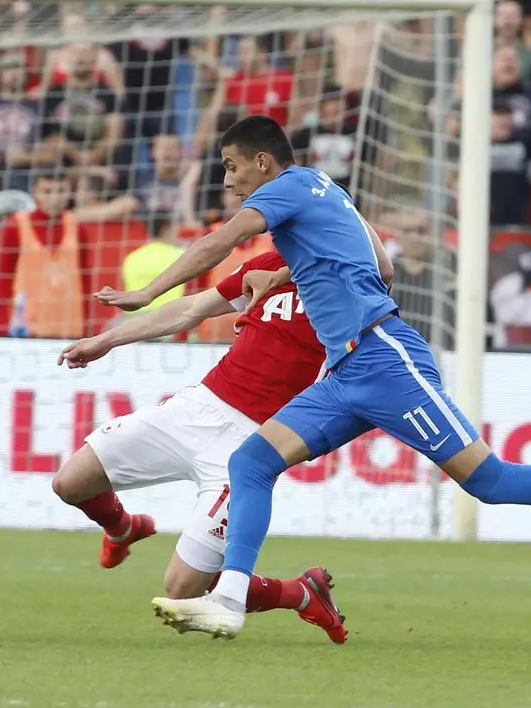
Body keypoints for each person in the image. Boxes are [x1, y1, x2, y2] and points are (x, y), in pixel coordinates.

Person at [95, 114, 531, 640]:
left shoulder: (287, 188)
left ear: (262, 162)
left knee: (488, 481)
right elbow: (381, 263)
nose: (227, 182)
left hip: (385, 358)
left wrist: (148, 292)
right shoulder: (323, 192)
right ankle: (228, 602)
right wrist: (286, 274)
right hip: (345, 371)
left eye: (231, 167)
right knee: (251, 462)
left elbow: (220, 240)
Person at [55, 250, 353, 644]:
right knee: (70, 482)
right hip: (197, 408)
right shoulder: (268, 265)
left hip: (251, 443)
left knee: (182, 589)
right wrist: (107, 340)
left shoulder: (351, 277)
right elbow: (191, 309)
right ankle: (122, 528)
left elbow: (382, 270)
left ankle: (299, 593)